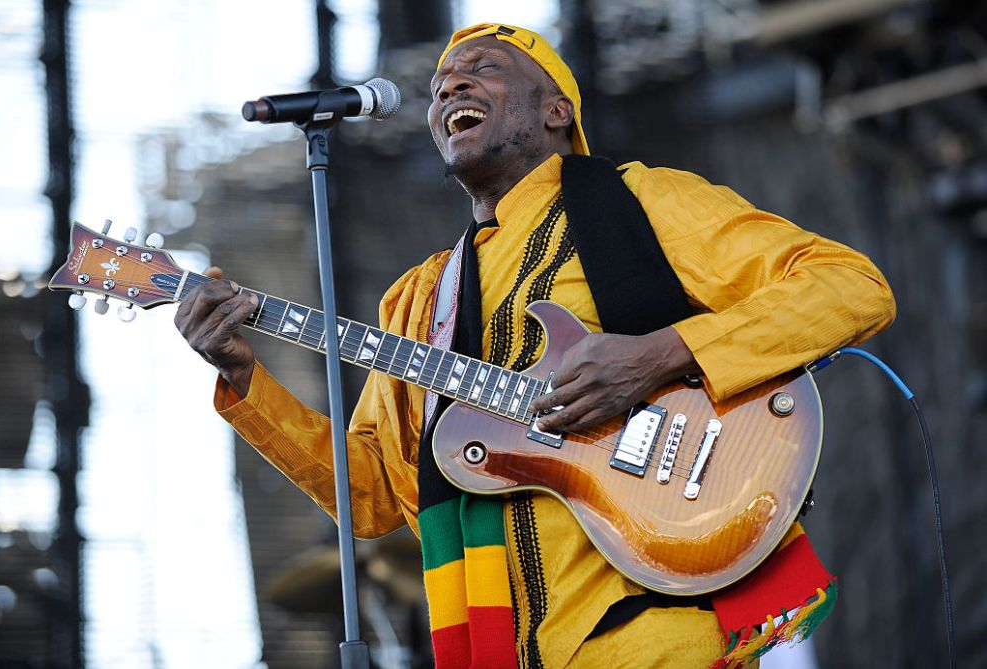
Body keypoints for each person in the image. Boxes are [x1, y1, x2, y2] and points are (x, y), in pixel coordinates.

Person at [175, 23, 895, 669]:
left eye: (482, 68)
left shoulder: (644, 200)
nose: (451, 84)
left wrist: (661, 353)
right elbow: (371, 494)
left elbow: (851, 286)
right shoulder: (420, 298)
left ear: (557, 110)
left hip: (659, 629)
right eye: (438, 86)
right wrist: (245, 382)